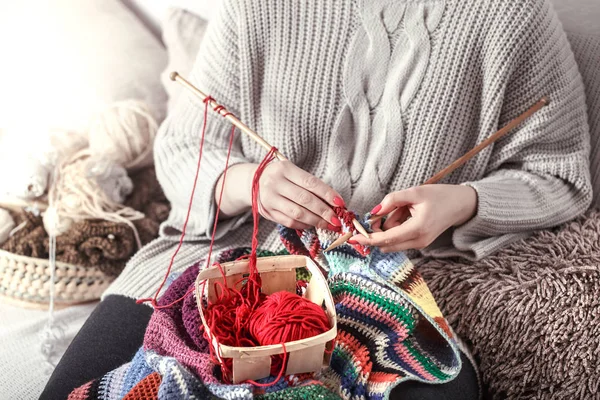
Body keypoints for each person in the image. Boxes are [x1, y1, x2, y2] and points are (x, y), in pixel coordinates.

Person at [42, 0, 592, 398]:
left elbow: (560, 174)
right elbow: (186, 144)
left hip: (389, 288)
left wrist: (465, 201)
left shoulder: (513, 16)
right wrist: (245, 181)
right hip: (214, 262)